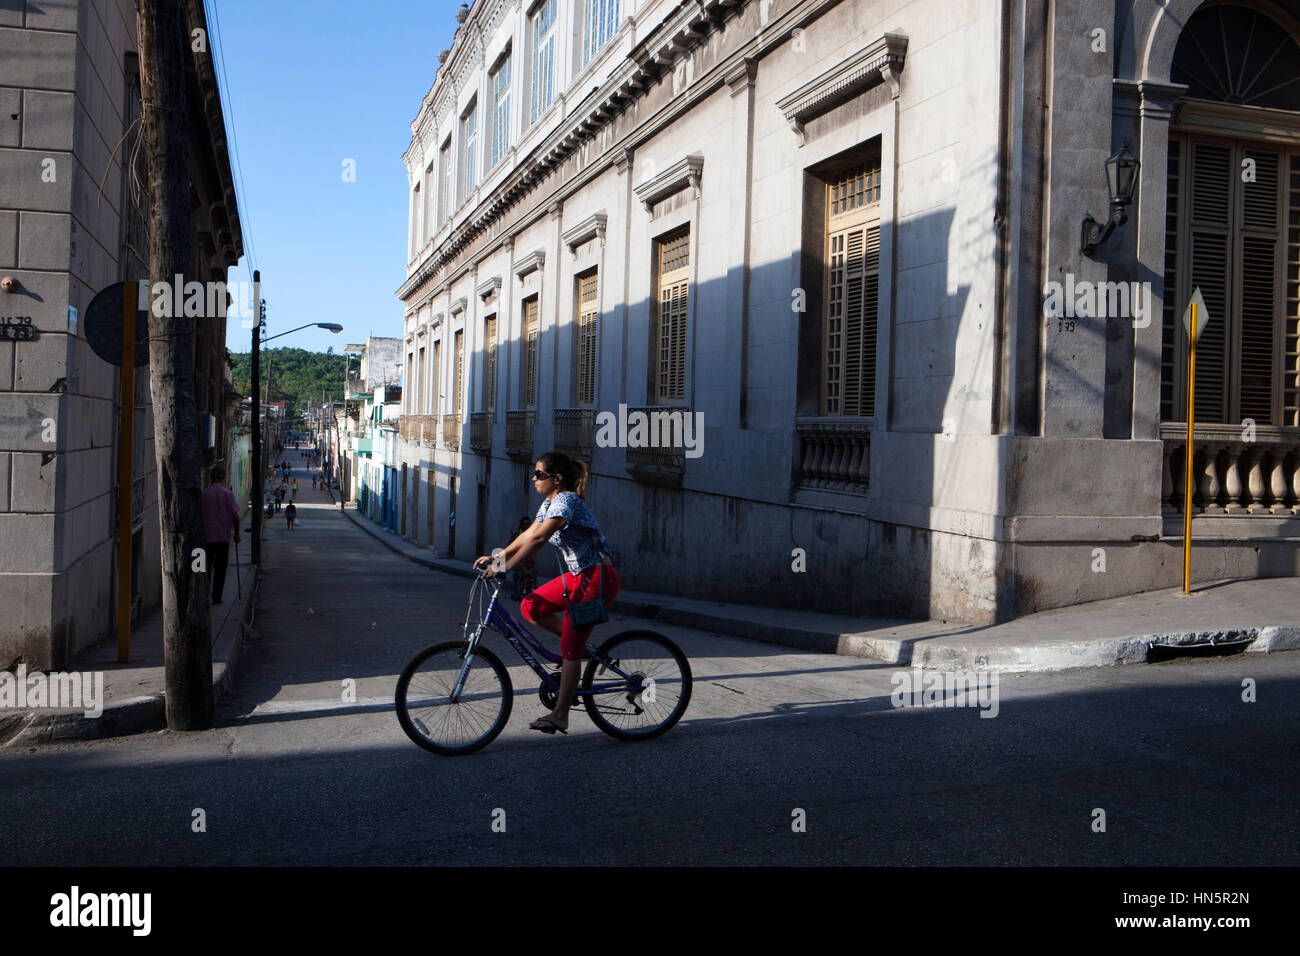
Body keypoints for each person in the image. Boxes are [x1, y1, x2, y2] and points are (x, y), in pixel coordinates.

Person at [474, 452, 619, 735]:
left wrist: (506, 568)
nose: (534, 478)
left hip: (599, 579)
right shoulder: (549, 502)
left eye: (539, 474)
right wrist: (498, 557)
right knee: (531, 607)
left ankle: (561, 715)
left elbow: (540, 539)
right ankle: (576, 651)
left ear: (557, 479)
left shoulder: (566, 501)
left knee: (570, 650)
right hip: (579, 577)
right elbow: (530, 533)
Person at [200, 464, 240, 605]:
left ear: (211, 478)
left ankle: (201, 596)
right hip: (223, 539)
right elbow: (235, 517)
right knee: (220, 570)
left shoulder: (204, 495)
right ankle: (217, 597)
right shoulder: (228, 495)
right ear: (223, 478)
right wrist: (237, 535)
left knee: (202, 569)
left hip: (204, 539)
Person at [508, 517, 538, 600]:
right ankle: (516, 593)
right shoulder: (518, 533)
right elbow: (510, 545)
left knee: (531, 578)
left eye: (528, 523)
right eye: (524, 523)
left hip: (529, 560)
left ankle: (529, 595)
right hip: (519, 560)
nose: (526, 525)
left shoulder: (532, 534)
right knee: (517, 576)